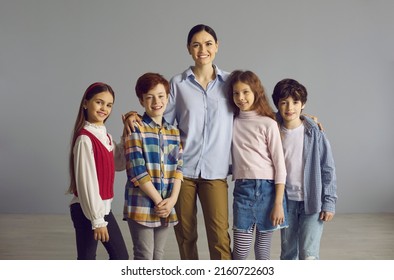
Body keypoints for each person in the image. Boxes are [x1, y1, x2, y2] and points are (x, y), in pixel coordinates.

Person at [123, 24, 233, 260]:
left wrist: (300, 117)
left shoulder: (230, 83)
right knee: (185, 235)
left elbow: (253, 111)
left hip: (215, 171)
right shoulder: (178, 84)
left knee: (220, 237)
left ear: (217, 46)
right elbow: (159, 119)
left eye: (208, 44)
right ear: (188, 49)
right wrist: (133, 115)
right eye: (196, 45)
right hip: (182, 172)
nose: (202, 49)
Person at [271, 78, 338, 260]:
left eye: (295, 102)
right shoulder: (272, 129)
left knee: (309, 255)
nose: (289, 107)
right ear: (277, 104)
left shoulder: (314, 132)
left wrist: (329, 202)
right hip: (286, 202)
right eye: (283, 102)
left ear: (303, 104)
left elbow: (327, 168)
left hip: (312, 202)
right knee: (288, 253)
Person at [228, 70, 288, 260]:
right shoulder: (231, 121)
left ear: (256, 92)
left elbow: (280, 166)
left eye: (245, 92)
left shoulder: (268, 123)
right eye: (236, 93)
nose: (241, 98)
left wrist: (278, 203)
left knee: (263, 252)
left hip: (269, 191)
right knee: (240, 252)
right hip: (243, 189)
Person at [123, 73, 183, 260]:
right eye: (149, 97)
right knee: (144, 256)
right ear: (141, 101)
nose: (156, 101)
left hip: (166, 204)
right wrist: (159, 201)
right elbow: (137, 170)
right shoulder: (135, 129)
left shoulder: (174, 132)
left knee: (158, 257)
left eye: (160, 96)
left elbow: (178, 169)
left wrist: (172, 200)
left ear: (167, 97)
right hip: (142, 205)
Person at [68, 82, 128, 260]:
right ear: (86, 103)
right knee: (87, 260)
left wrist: (126, 134)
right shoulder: (85, 139)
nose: (104, 108)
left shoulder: (106, 136)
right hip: (87, 209)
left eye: (109, 105)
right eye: (99, 102)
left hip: (103, 208)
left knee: (120, 258)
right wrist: (97, 220)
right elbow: (87, 184)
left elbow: (119, 164)